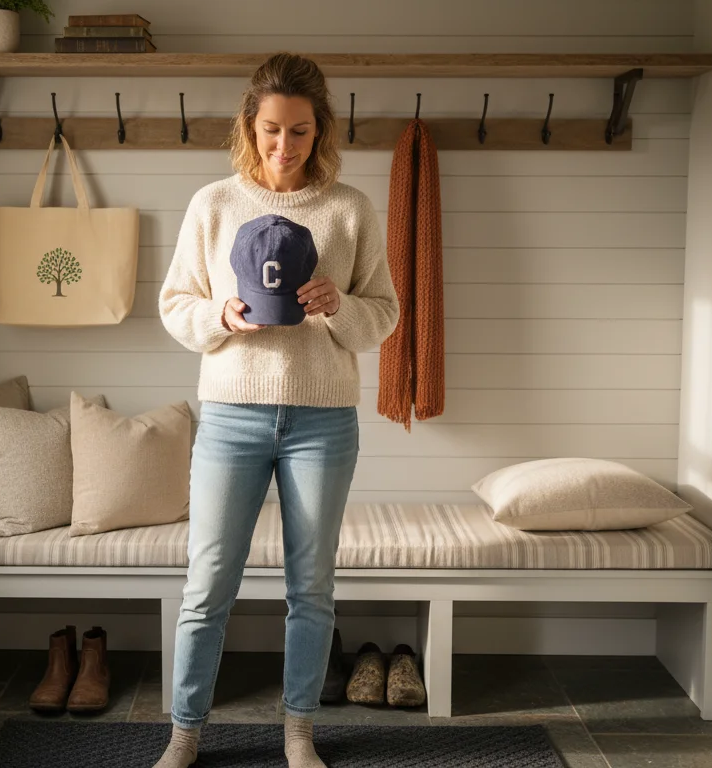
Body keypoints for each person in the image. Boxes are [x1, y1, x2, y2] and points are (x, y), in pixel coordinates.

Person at [154, 52, 400, 768]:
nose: (283, 147)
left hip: (322, 422)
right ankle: (184, 734)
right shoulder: (213, 205)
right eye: (270, 131)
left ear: (320, 129)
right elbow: (174, 304)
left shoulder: (349, 208)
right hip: (231, 416)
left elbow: (383, 315)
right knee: (207, 585)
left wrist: (340, 307)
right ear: (248, 126)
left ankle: (299, 732)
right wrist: (221, 315)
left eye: (298, 132)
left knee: (312, 587)